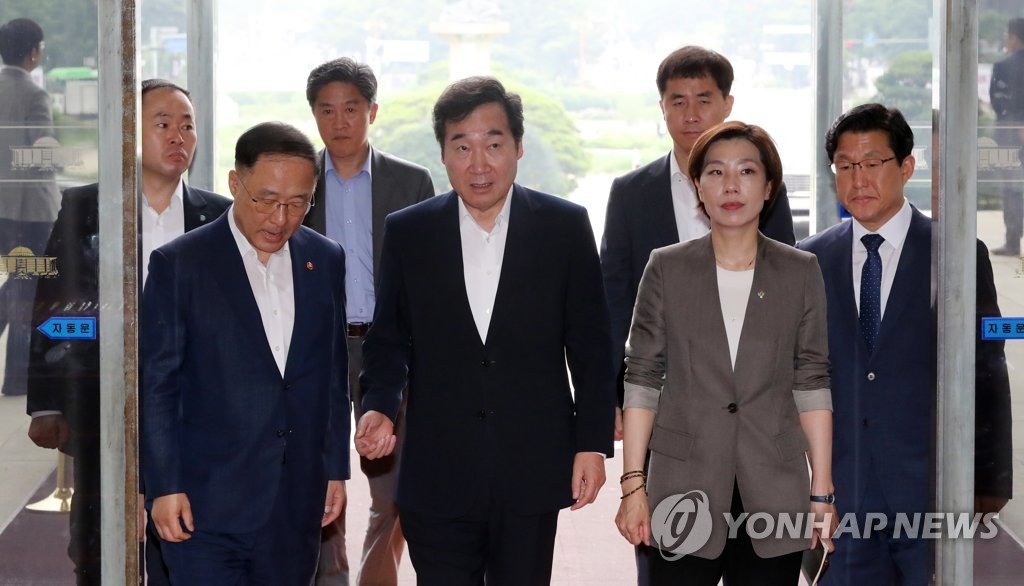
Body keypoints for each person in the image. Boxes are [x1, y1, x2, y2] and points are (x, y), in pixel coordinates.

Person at [354, 76, 616, 585]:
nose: (479, 164)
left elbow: (591, 346)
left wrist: (591, 443)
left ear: (518, 147)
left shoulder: (563, 227)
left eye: (494, 145)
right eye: (462, 147)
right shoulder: (410, 231)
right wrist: (379, 406)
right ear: (443, 154)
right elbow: (388, 340)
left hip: (531, 464)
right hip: (437, 467)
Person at [25, 79, 231, 585]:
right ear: (129, 134)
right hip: (104, 404)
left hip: (193, 410)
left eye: (188, 126)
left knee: (185, 538)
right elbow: (53, 305)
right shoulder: (85, 208)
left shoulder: (219, 215)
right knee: (99, 543)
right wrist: (47, 403)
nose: (178, 136)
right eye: (163, 124)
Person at [799, 103, 1013, 586]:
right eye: (845, 166)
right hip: (843, 493)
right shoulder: (809, 259)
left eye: (872, 163)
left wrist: (991, 477)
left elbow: (988, 368)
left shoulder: (956, 253)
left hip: (931, 492)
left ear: (907, 166)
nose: (858, 179)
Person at [615, 121, 834, 585]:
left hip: (775, 487)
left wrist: (821, 491)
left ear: (768, 187)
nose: (731, 185)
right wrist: (633, 484)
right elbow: (642, 378)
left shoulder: (800, 271)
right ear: (698, 185)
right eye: (715, 172)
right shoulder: (666, 267)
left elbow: (812, 381)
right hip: (681, 485)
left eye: (747, 171)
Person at [141, 122, 350, 584]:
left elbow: (332, 373)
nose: (280, 218)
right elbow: (157, 386)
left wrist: (335, 468)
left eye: (298, 203)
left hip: (296, 503)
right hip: (203, 505)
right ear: (236, 183)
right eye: (266, 200)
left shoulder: (325, 259)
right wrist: (163, 485)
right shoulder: (181, 263)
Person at [600, 45, 796, 431]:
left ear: (727, 104)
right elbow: (613, 301)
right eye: (678, 101)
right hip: (662, 398)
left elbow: (781, 283)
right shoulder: (630, 194)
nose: (690, 114)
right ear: (662, 107)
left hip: (753, 395)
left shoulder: (763, 186)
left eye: (704, 100)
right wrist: (610, 391)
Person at [303, 57, 434, 586]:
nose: (339, 122)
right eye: (327, 110)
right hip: (318, 354)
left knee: (395, 492)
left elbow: (430, 279)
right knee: (318, 488)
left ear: (372, 112)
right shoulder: (300, 182)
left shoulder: (411, 182)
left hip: (391, 352)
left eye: (351, 109)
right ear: (313, 115)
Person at [0, 17, 60, 397]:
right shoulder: (34, 96)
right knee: (27, 289)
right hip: (30, 210)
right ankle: (17, 379)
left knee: (20, 281)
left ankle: (18, 378)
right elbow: (42, 155)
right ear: (33, 52)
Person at [989, 17, 1024, 256]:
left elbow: (997, 100)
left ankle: (1012, 241)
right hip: (1013, 130)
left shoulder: (1003, 66)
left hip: (1010, 134)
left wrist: (1016, 122)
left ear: (1013, 38)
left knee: (1011, 187)